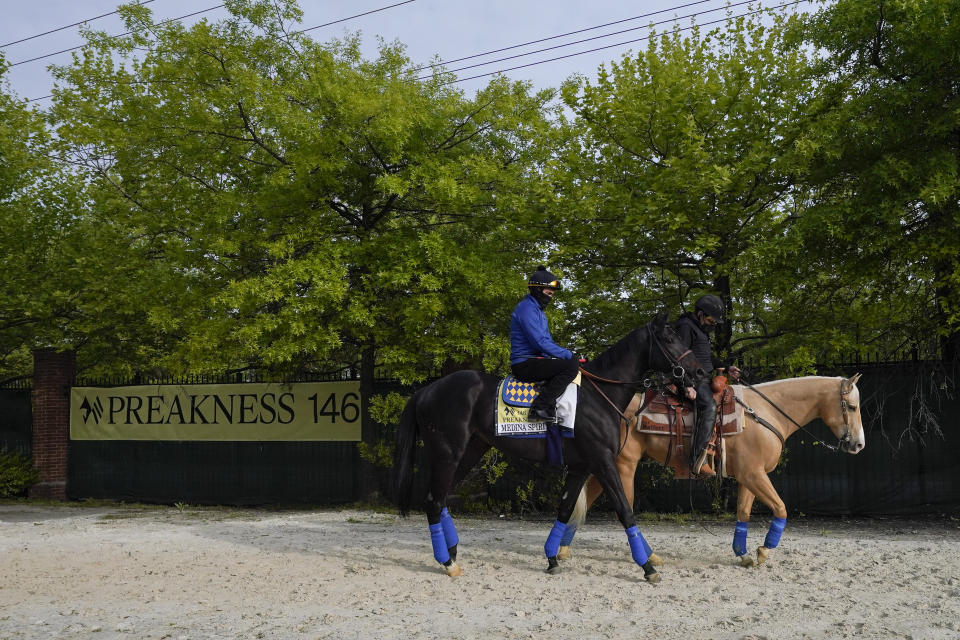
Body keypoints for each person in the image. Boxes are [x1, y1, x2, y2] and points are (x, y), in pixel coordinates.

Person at [676, 294, 741, 475]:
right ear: (700, 314)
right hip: (693, 379)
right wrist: (686, 384)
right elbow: (678, 358)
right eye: (711, 319)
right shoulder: (685, 327)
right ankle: (698, 458)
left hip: (703, 377)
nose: (713, 323)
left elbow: (706, 358)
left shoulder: (700, 330)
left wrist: (727, 368)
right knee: (709, 407)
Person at [510, 266, 580, 423]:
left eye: (552, 295)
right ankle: (539, 408)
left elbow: (547, 342)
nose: (551, 298)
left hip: (536, 360)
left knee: (569, 363)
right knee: (570, 366)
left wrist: (562, 356)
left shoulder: (539, 312)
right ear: (537, 290)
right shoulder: (526, 309)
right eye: (548, 293)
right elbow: (539, 342)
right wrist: (568, 355)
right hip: (524, 363)